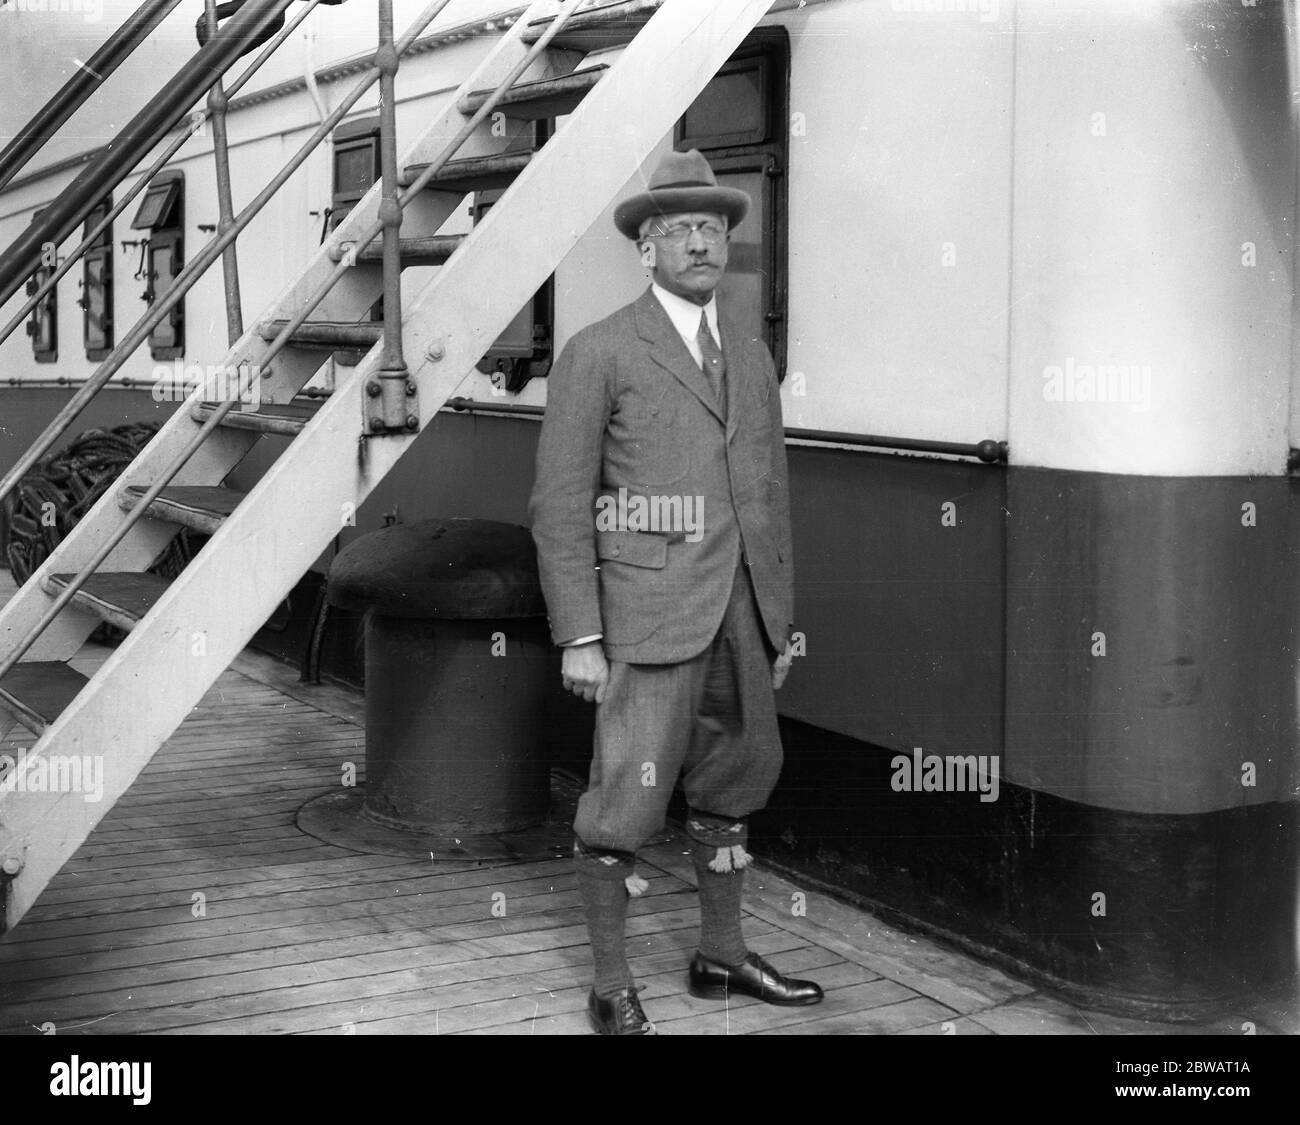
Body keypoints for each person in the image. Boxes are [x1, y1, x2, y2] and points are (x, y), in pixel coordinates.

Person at [529, 149, 822, 1035]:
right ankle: (610, 983)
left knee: (736, 779)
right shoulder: (599, 351)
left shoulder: (754, 356)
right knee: (624, 802)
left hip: (742, 611)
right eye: (678, 229)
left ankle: (719, 955)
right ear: (645, 250)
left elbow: (767, 494)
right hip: (647, 618)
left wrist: (779, 623)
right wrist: (580, 633)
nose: (700, 242)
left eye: (713, 228)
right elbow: (558, 503)